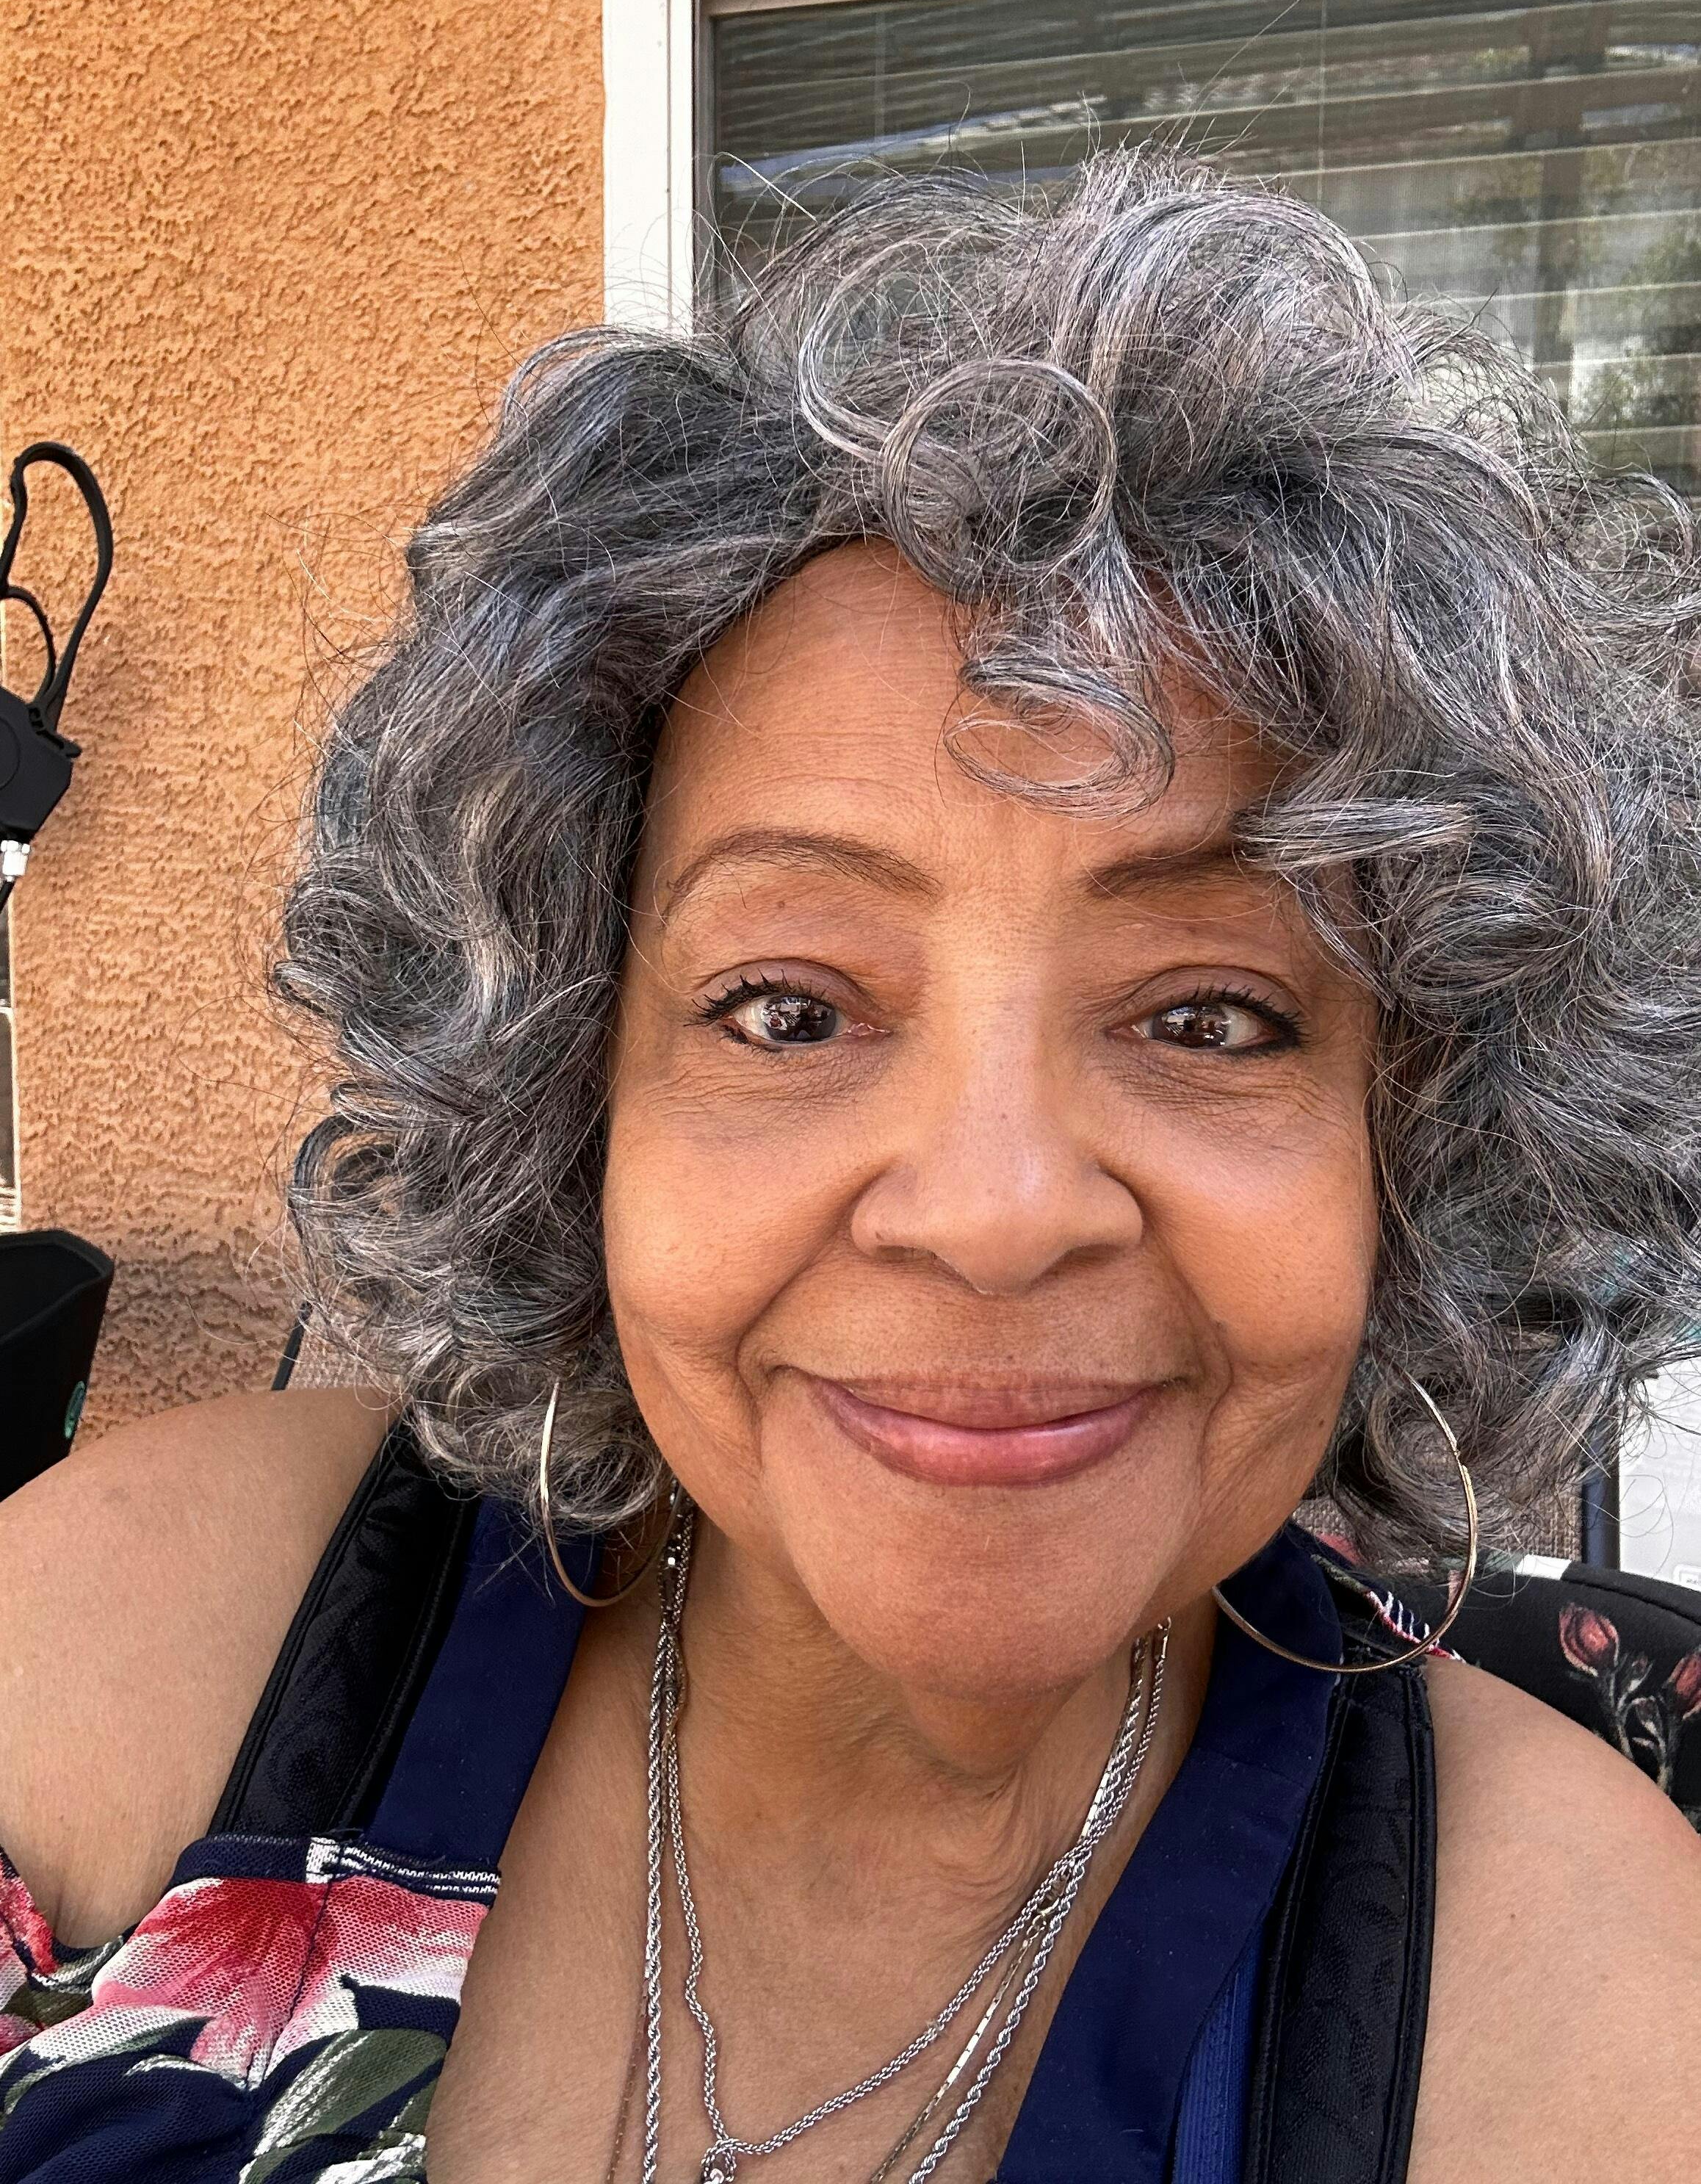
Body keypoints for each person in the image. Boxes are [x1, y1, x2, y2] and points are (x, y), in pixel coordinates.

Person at [0, 149, 1698, 2184]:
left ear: (1418, 1147)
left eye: (1209, 1017)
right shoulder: (146, 1638)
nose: (992, 1214)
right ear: (568, 1100)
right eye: (789, 1008)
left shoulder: (1591, 2004)